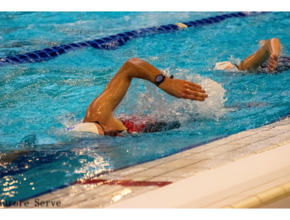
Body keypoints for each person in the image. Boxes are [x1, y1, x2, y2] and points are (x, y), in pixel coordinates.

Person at [68, 58, 209, 136]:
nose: (110, 131)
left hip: (147, 126)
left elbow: (130, 66)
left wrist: (165, 82)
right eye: (106, 136)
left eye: (103, 128)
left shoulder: (97, 113)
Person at [214, 38, 282, 73]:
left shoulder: (245, 65)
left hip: (276, 60)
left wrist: (274, 54)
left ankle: (263, 43)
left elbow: (273, 40)